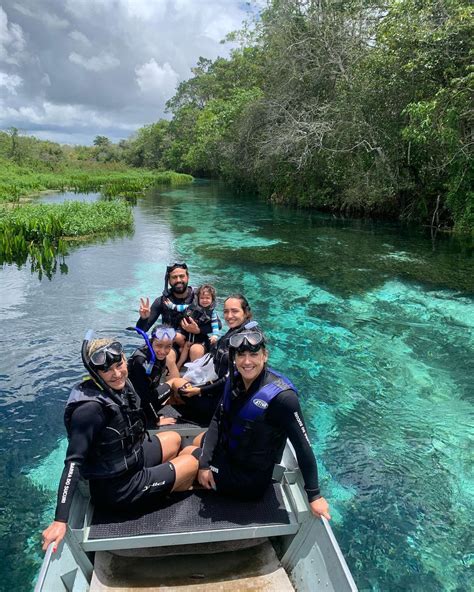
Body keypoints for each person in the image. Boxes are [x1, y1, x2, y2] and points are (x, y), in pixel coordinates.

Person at [41, 336, 199, 553]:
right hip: (118, 488)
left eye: (119, 365)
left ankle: (166, 478)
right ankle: (167, 489)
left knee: (174, 438)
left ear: (125, 359)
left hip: (132, 458)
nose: (117, 374)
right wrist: (60, 519)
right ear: (95, 373)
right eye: (108, 371)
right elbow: (73, 463)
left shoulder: (121, 386)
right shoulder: (89, 410)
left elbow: (138, 412)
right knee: (192, 461)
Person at [193, 325, 331, 521]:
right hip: (230, 456)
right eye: (241, 355)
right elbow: (217, 419)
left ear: (265, 356)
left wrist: (314, 494)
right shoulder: (235, 380)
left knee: (189, 461)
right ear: (234, 358)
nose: (247, 361)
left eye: (253, 355)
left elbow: (303, 446)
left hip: (249, 479)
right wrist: (205, 464)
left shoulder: (283, 398)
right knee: (197, 444)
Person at [171, 294, 253, 425]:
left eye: (235, 311)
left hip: (223, 402)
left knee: (176, 386)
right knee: (178, 385)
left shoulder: (246, 340)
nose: (229, 316)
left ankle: (202, 421)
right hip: (218, 392)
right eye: (226, 311)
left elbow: (230, 377)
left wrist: (200, 390)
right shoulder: (235, 332)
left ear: (246, 312)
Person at [127, 325, 182, 428]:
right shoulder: (141, 361)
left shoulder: (157, 356)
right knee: (174, 382)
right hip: (136, 405)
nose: (163, 351)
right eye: (159, 345)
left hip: (145, 398)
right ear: (151, 341)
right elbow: (144, 396)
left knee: (178, 386)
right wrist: (156, 420)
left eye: (168, 346)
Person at [167, 284, 222, 368]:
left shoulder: (212, 313)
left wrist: (215, 335)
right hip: (187, 337)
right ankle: (178, 364)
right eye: (202, 298)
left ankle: (191, 369)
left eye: (207, 298)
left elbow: (215, 326)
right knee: (177, 338)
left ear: (212, 300)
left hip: (199, 339)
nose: (204, 300)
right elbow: (180, 307)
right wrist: (171, 305)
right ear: (197, 299)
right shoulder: (190, 307)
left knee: (191, 348)